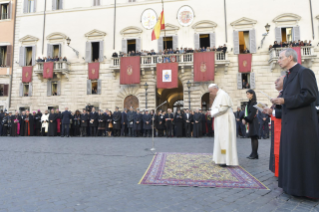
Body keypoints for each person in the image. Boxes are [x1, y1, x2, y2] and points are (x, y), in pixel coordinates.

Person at [271, 48, 319, 198]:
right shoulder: (289, 76)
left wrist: (285, 100)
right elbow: (287, 98)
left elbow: (311, 95)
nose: (278, 60)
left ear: (290, 58)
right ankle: (291, 187)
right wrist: (273, 106)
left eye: (280, 58)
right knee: (291, 156)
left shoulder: (304, 72)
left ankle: (306, 190)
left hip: (302, 125)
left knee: (302, 156)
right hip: (290, 123)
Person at [209, 84, 238, 166]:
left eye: (211, 91)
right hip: (221, 120)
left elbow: (223, 108)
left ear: (215, 89)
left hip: (225, 121)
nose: (210, 93)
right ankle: (220, 159)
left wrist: (212, 112)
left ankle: (225, 160)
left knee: (224, 139)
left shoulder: (222, 95)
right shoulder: (219, 95)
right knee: (220, 139)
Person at [263, 75, 285, 174]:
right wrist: (269, 111)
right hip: (276, 124)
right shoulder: (280, 94)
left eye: (278, 80)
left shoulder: (285, 94)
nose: (275, 82)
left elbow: (284, 111)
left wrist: (272, 112)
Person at [242, 90, 259, 159]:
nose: (247, 95)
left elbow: (252, 113)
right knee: (252, 137)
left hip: (253, 121)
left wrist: (246, 119)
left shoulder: (254, 103)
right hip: (251, 121)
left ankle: (255, 154)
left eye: (248, 94)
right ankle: (253, 153)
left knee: (254, 137)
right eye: (247, 94)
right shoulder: (250, 103)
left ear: (252, 94)